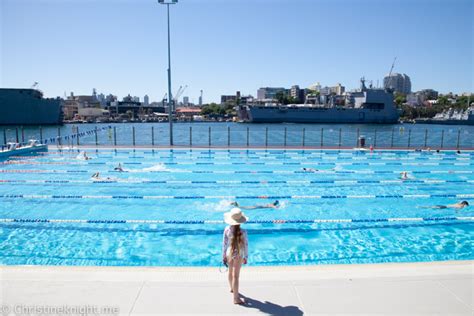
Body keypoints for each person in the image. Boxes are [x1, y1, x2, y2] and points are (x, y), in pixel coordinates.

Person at [222, 208, 248, 305]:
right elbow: (246, 245)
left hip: (229, 253)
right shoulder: (243, 232)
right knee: (236, 276)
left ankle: (232, 289)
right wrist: (246, 256)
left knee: (230, 272)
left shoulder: (227, 229)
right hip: (239, 254)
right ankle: (236, 299)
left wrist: (223, 255)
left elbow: (224, 244)